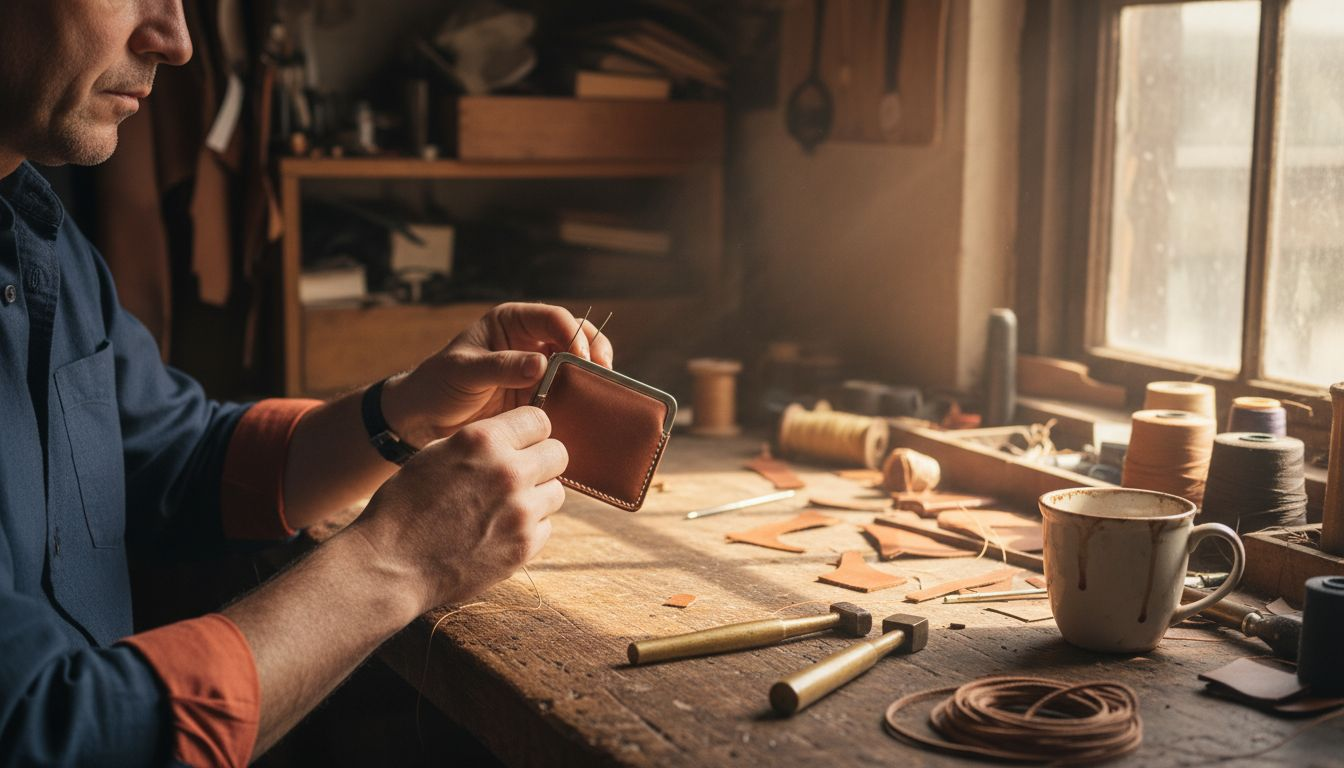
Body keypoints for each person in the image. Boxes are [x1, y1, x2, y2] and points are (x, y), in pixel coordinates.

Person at [0, 2, 612, 764]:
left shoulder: (38, 235)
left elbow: (182, 460)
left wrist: (407, 410)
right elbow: (45, 733)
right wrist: (397, 561)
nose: (177, 41)